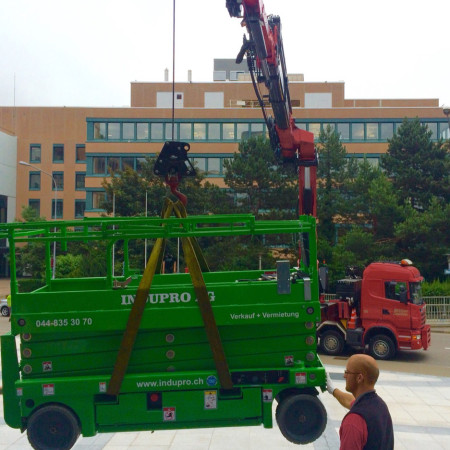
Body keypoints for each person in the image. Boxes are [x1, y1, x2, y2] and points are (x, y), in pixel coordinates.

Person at [326, 354, 394, 450]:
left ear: (359, 378)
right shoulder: (380, 405)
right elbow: (351, 401)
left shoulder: (353, 421)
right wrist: (332, 390)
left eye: (347, 372)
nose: (344, 376)